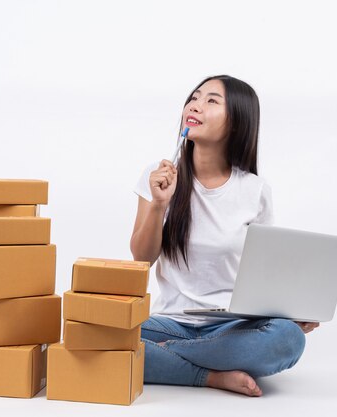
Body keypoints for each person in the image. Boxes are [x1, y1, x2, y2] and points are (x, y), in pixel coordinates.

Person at [130, 75, 319, 397]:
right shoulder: (159, 175)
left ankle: (153, 355)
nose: (195, 105)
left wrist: (289, 311)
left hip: (232, 324)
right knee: (97, 331)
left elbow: (264, 273)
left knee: (287, 339)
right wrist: (159, 205)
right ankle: (212, 376)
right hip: (168, 320)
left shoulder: (254, 190)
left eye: (211, 101)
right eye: (195, 97)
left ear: (236, 123)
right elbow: (142, 257)